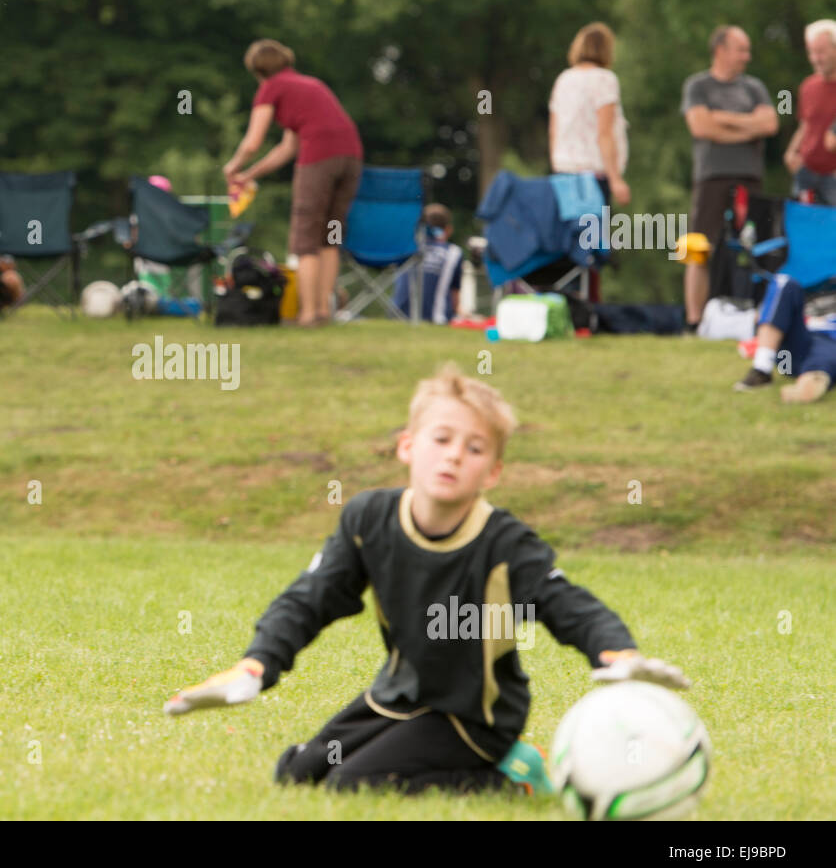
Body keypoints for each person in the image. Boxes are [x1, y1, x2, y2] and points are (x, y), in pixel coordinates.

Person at [165, 365, 689, 794]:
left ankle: (509, 780)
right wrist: (255, 666)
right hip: (396, 698)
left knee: (353, 785)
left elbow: (567, 604)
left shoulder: (505, 542)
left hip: (474, 717)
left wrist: (616, 653)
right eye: (442, 438)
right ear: (408, 447)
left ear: (494, 472)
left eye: (476, 448)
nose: (456, 454)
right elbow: (309, 600)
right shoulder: (368, 520)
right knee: (298, 772)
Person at [223, 39, 362, 327]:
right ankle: (325, 311)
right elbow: (287, 148)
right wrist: (250, 175)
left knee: (305, 238)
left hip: (320, 159)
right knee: (329, 236)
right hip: (351, 156)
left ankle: (309, 314)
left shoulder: (271, 87)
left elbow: (253, 142)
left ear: (257, 70)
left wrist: (233, 166)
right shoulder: (309, 85)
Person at [681, 26, 778, 330]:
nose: (747, 57)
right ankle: (694, 320)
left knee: (759, 246)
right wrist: (749, 126)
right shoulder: (698, 85)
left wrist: (722, 119)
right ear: (720, 50)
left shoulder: (755, 87)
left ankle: (762, 317)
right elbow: (700, 128)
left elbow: (770, 124)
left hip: (750, 177)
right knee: (698, 246)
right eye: (741, 50)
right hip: (711, 177)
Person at [549, 22, 630, 208]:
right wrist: (615, 179)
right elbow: (604, 133)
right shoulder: (604, 79)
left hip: (563, 171)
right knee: (592, 236)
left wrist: (557, 165)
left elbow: (554, 130)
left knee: (569, 235)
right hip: (594, 175)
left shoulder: (563, 79)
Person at [733, 273, 836, 402]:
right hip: (787, 358)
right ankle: (761, 369)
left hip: (827, 347)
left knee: (824, 359)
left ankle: (812, 382)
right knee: (784, 282)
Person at [784, 20, 836, 205]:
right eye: (811, 52)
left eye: (821, 52)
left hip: (833, 177)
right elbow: (806, 125)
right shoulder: (808, 86)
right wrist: (791, 152)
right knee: (801, 228)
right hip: (805, 172)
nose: (815, 58)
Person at [393, 204, 464, 325]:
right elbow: (454, 296)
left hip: (397, 316)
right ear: (448, 230)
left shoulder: (406, 247)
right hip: (436, 319)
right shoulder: (454, 253)